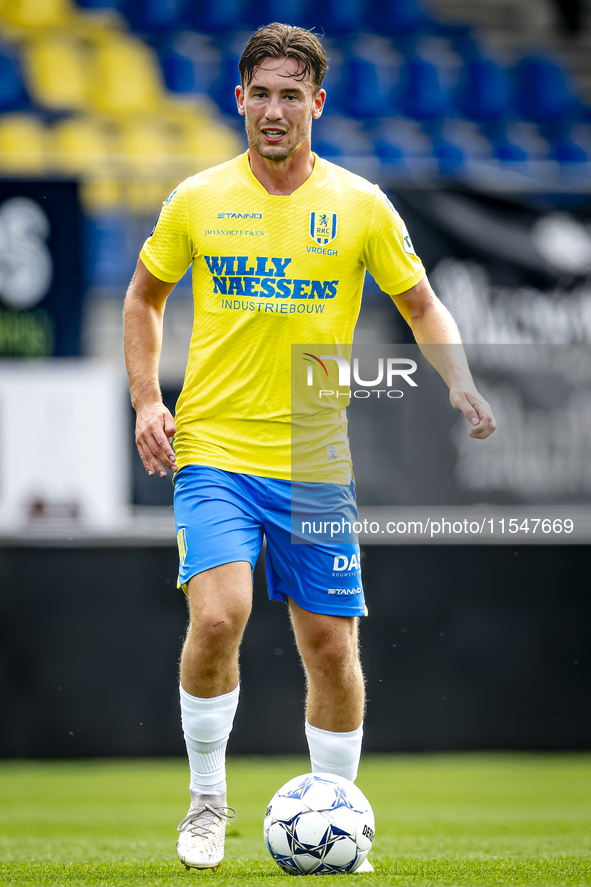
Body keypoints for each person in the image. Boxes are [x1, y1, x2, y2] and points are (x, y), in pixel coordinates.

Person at [123, 22, 496, 874]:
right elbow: (143, 298)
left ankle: (341, 817)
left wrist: (459, 380)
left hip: (314, 459)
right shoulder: (197, 199)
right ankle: (208, 804)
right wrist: (149, 398)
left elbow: (423, 304)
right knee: (219, 616)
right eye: (261, 92)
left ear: (317, 103)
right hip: (214, 445)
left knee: (330, 646)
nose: (275, 109)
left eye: (292, 93)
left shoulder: (360, 204)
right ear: (239, 100)